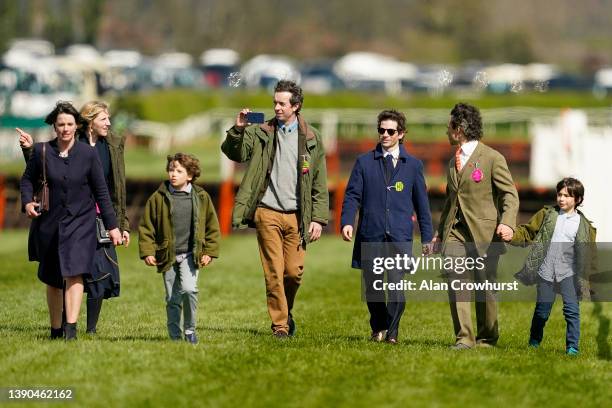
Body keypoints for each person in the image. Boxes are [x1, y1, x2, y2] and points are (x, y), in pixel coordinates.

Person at [221, 80, 329, 338]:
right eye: (275, 103)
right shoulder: (261, 131)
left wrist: (318, 219)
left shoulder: (313, 138)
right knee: (273, 272)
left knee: (292, 273)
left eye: (282, 103)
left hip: (297, 216)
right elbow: (234, 153)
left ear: (296, 106)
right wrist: (237, 130)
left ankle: (286, 310)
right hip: (266, 211)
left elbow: (319, 181)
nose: (277, 108)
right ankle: (280, 325)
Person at [17, 101, 130, 335]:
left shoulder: (88, 154)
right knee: (53, 278)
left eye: (69, 124)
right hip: (50, 223)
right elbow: (28, 179)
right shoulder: (42, 151)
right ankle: (56, 329)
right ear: (54, 127)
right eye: (61, 125)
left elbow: (102, 192)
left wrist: (114, 227)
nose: (66, 129)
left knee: (75, 272)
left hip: (81, 222)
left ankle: (71, 328)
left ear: (76, 125)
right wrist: (27, 201)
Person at [340, 109, 433, 344]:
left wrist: (427, 237)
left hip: (399, 237)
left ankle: (392, 332)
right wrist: (347, 222)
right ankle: (378, 325)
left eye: (390, 131)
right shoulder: (363, 162)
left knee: (396, 288)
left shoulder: (413, 165)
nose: (385, 135)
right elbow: (352, 196)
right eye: (381, 130)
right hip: (370, 233)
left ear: (401, 133)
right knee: (373, 288)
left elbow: (422, 205)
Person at [433, 102, 519, 350]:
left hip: (486, 234)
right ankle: (464, 338)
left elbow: (509, 196)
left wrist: (508, 223)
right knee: (456, 282)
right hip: (455, 234)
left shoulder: (493, 158)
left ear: (458, 128)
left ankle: (487, 337)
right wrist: (440, 234)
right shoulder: (452, 162)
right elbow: (451, 202)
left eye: (448, 126)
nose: (446, 131)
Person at [504, 177, 596, 355]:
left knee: (572, 311)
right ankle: (534, 341)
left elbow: (589, 255)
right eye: (560, 194)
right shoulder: (546, 215)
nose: (562, 199)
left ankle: (572, 347)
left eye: (567, 196)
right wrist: (512, 235)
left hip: (568, 273)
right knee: (542, 312)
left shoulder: (584, 226)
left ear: (578, 199)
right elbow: (527, 232)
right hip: (546, 271)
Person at [138, 153, 220, 344]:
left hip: (191, 254)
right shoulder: (158, 198)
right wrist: (148, 252)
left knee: (189, 290)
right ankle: (174, 336)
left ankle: (190, 330)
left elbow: (212, 226)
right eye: (171, 170)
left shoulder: (201, 197)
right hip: (167, 255)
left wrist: (209, 251)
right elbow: (146, 227)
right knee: (172, 298)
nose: (173, 174)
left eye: (179, 171)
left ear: (190, 175)